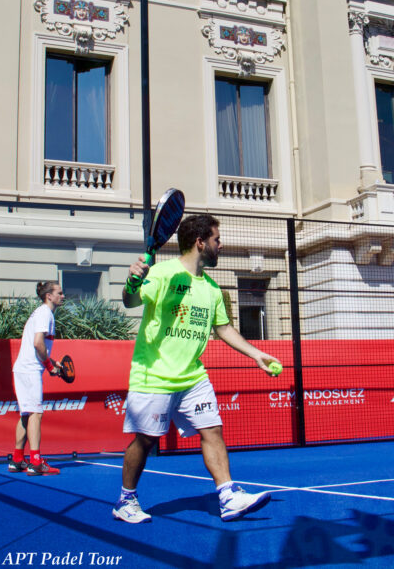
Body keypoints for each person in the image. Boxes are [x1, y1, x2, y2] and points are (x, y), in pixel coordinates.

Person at [113, 214, 280, 523]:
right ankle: (126, 500)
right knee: (145, 441)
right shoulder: (162, 273)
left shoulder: (213, 289)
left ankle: (228, 495)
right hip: (155, 375)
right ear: (201, 243)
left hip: (193, 376)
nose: (221, 244)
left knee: (212, 430)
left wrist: (257, 355)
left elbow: (225, 330)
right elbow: (130, 300)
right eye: (217, 239)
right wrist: (132, 280)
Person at [10, 281, 65, 476]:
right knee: (35, 414)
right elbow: (37, 343)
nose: (63, 296)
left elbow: (39, 347)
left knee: (26, 413)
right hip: (30, 370)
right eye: (59, 293)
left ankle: (17, 459)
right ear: (49, 296)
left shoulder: (41, 313)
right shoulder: (45, 313)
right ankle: (35, 462)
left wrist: (52, 361)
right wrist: (49, 367)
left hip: (24, 368)